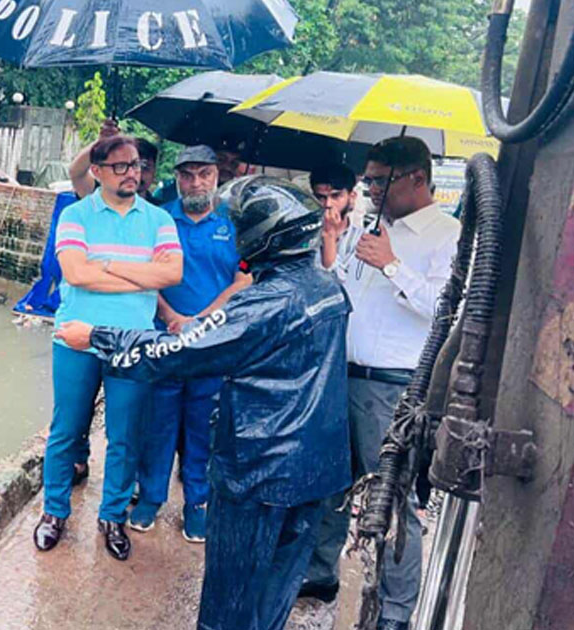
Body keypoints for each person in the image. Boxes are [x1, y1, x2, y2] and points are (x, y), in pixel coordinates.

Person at [54, 175, 351, 630]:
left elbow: (177, 352)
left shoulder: (266, 305)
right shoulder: (327, 287)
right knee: (275, 591)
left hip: (259, 471)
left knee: (229, 601)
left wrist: (95, 336)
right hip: (315, 472)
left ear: (262, 236)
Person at [299, 137, 462, 630]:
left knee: (390, 505)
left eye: (377, 179)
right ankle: (321, 573)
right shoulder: (370, 227)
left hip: (393, 388)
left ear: (415, 177)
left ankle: (394, 613)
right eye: (367, 179)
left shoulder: (447, 234)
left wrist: (391, 264)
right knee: (328, 486)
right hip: (342, 375)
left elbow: (445, 311)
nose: (368, 188)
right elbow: (343, 288)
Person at [34, 134, 183, 561]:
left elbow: (172, 273)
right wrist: (141, 274)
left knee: (124, 436)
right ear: (97, 171)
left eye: (135, 165)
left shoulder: (157, 220)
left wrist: (110, 265)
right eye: (120, 166)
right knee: (66, 431)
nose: (132, 173)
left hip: (133, 344)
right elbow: (76, 274)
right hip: (76, 336)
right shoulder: (76, 215)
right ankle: (54, 512)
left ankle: (113, 515)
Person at [127, 145, 252, 542]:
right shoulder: (161, 219)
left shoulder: (234, 222)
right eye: (187, 174)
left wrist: (201, 320)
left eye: (204, 174)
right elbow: (145, 273)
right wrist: (170, 317)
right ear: (176, 177)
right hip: (165, 338)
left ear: (217, 176)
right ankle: (150, 497)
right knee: (158, 422)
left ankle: (196, 504)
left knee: (203, 428)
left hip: (213, 343)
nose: (195, 182)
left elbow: (243, 280)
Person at [68, 119, 162, 203]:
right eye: (124, 166)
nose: (135, 173)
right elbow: (76, 173)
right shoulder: (97, 196)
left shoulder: (159, 212)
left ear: (154, 171)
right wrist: (100, 143)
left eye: (145, 167)